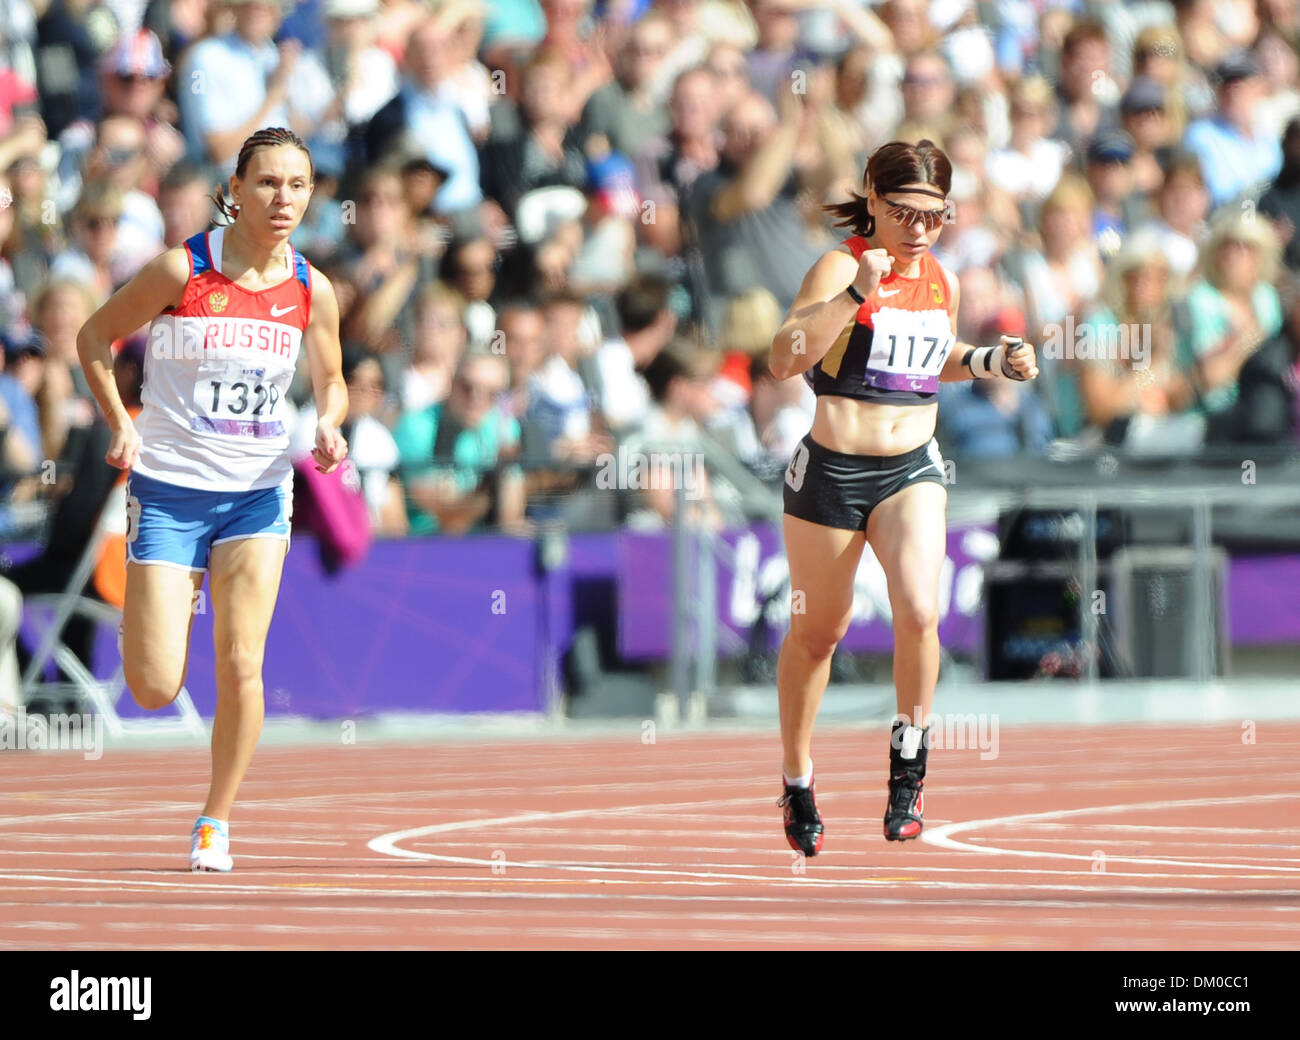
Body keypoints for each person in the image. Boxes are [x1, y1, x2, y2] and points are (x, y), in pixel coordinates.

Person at [74, 127, 349, 872]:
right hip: (168, 491)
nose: (282, 198)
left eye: (297, 184)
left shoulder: (309, 287)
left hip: (257, 494)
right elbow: (94, 337)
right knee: (155, 684)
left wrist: (329, 420)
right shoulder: (182, 269)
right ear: (236, 188)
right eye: (267, 183)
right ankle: (164, 629)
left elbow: (331, 375)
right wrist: (121, 424)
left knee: (241, 663)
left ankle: (215, 820)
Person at [767, 140, 1038, 854]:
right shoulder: (839, 264)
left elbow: (926, 362)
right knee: (818, 632)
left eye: (934, 217)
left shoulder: (942, 281)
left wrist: (991, 361)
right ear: (873, 201)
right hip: (832, 470)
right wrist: (858, 291)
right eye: (903, 214)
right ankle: (797, 777)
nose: (918, 230)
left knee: (921, 608)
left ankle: (910, 758)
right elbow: (784, 355)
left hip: (911, 468)